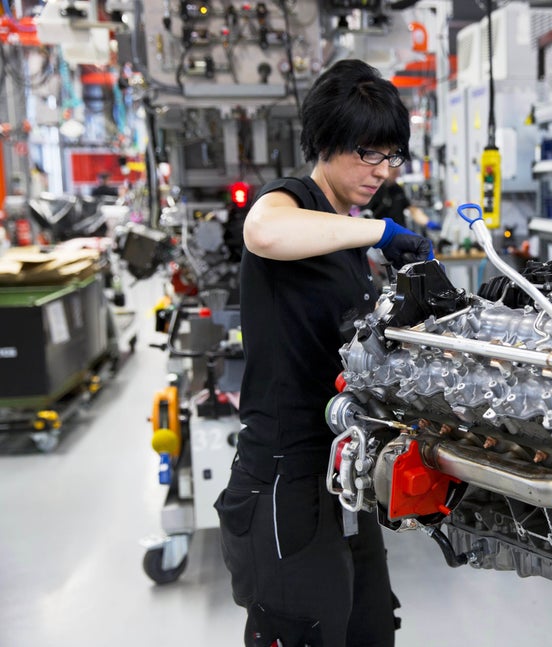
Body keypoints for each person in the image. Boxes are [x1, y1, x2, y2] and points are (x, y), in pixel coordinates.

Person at [214, 59, 433, 647]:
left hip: (344, 474)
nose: (381, 170)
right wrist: (382, 232)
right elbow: (263, 232)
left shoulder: (342, 234)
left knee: (371, 629)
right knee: (305, 631)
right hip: (284, 479)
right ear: (326, 140)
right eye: (368, 152)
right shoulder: (290, 201)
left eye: (392, 156)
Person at [363, 162, 429, 229]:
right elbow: (366, 215)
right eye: (394, 173)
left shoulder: (398, 189)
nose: (397, 176)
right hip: (383, 231)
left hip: (399, 229)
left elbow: (411, 209)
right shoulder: (375, 189)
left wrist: (427, 222)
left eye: (398, 173)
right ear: (386, 171)